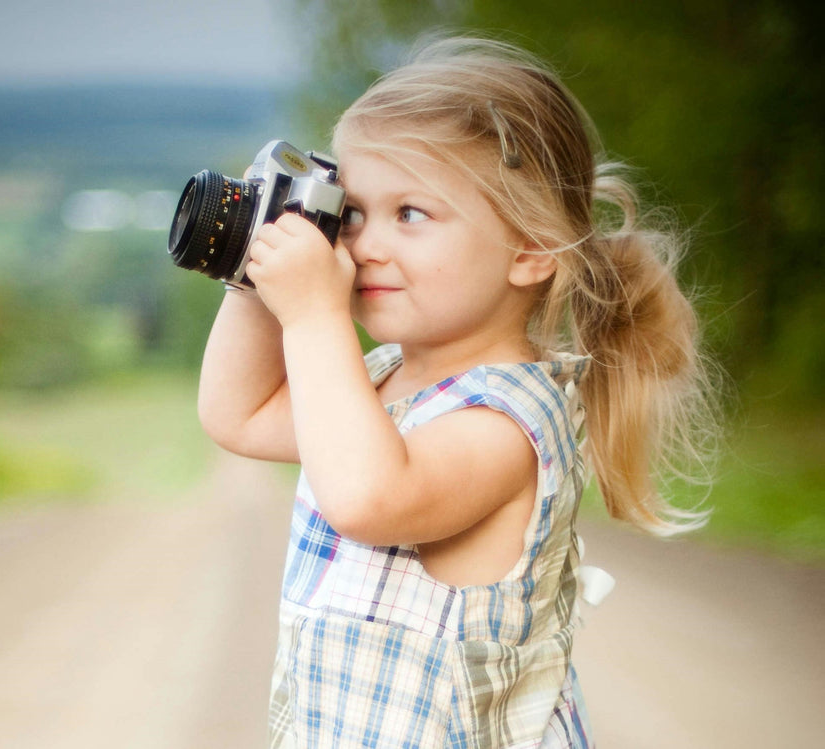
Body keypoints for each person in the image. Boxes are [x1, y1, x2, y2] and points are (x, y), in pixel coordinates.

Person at [197, 35, 719, 748]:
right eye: (352, 213)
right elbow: (239, 414)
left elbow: (367, 498)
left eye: (410, 214)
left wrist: (316, 313)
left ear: (531, 250)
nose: (365, 245)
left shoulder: (507, 422)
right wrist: (259, 271)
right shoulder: (379, 379)